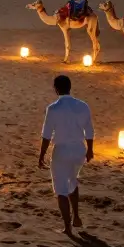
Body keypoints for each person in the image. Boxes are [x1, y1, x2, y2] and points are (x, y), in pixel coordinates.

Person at [37, 75, 94, 237]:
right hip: (79, 150)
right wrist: (90, 150)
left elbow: (46, 135)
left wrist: (41, 155)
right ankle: (76, 216)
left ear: (56, 89)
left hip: (61, 151)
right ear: (70, 87)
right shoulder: (83, 105)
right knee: (72, 181)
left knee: (61, 189)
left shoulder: (53, 108)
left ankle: (67, 227)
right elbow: (89, 130)